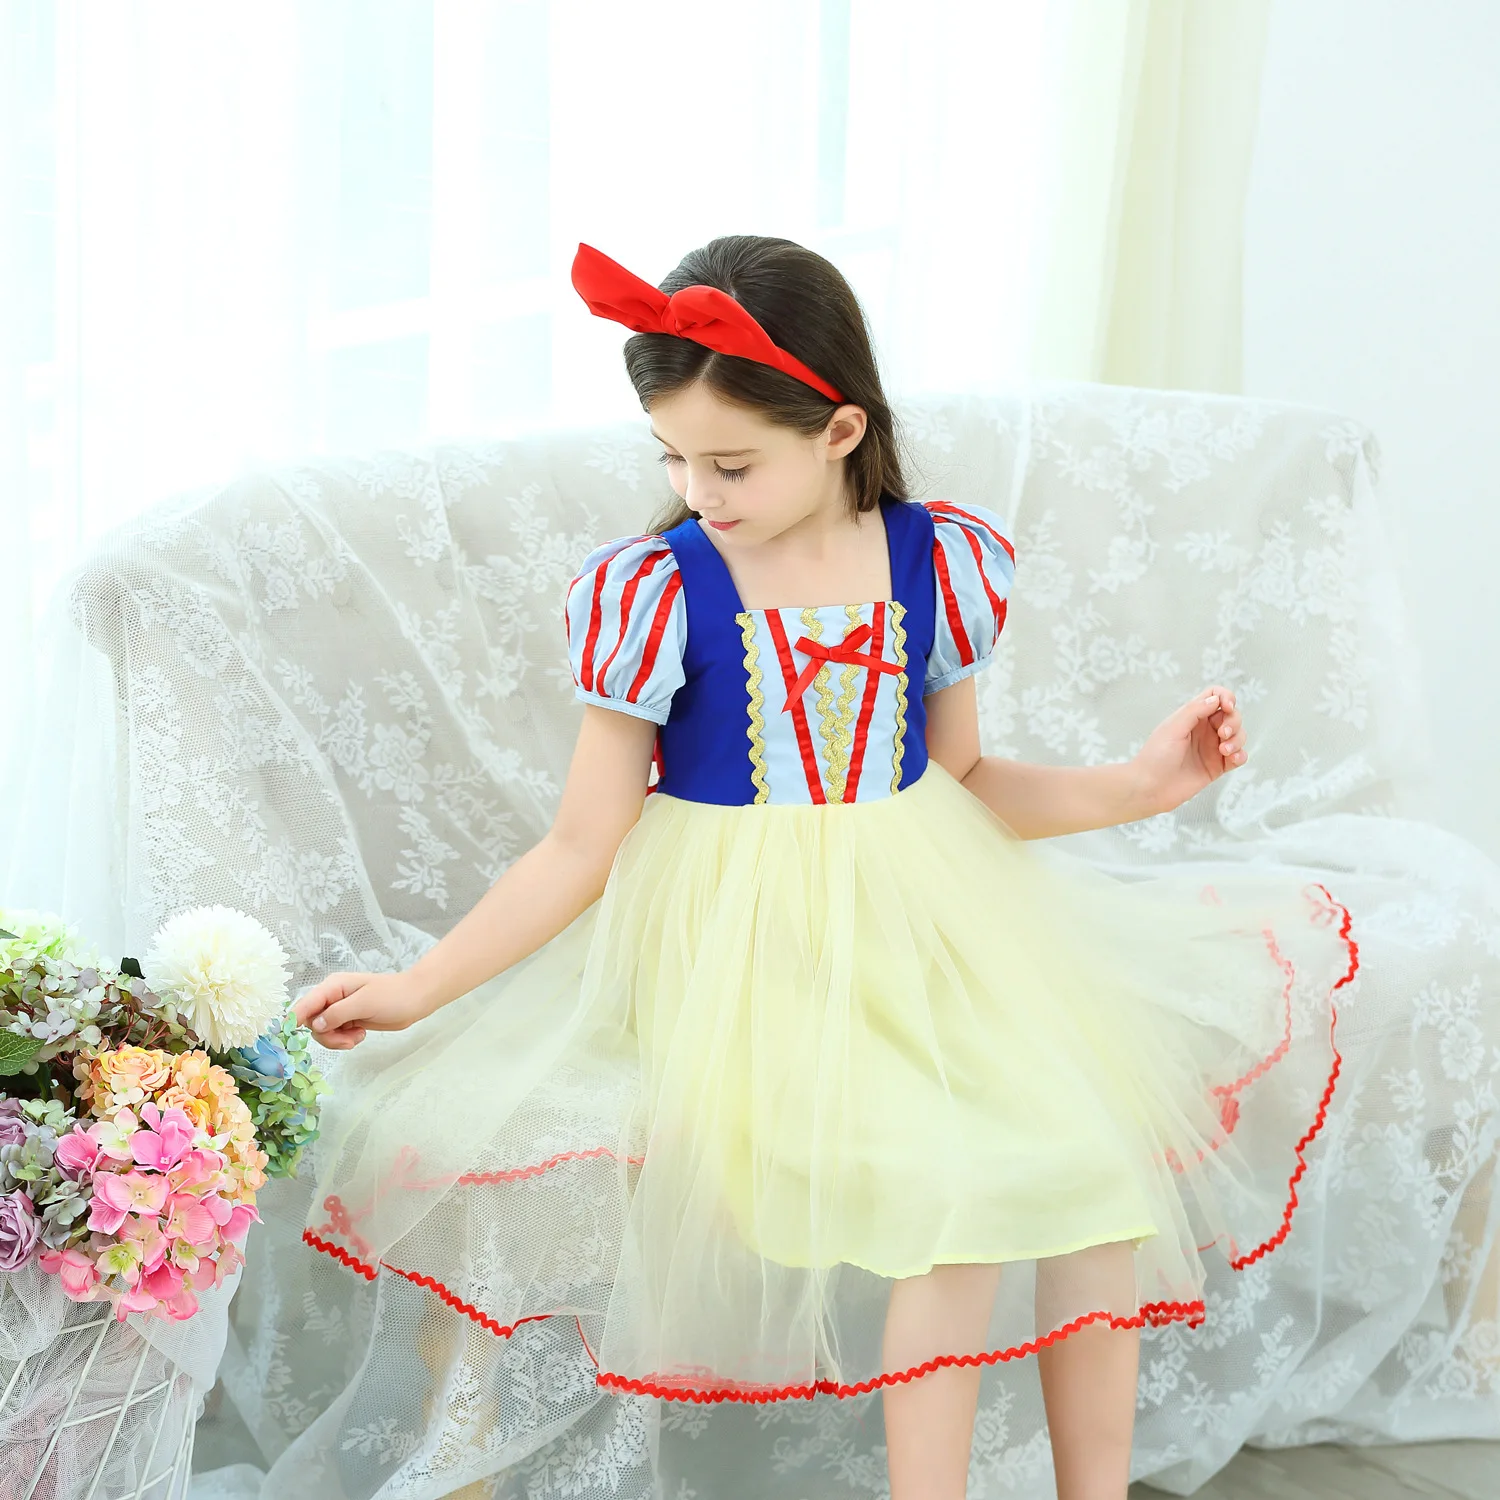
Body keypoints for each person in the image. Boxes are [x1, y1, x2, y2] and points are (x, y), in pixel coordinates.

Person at [293, 236, 1359, 1500]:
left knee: (1095, 1179)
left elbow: (961, 783)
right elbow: (582, 841)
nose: (697, 491)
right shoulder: (660, 587)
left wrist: (1137, 786)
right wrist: (419, 988)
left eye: (730, 463)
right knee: (955, 1211)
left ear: (842, 428)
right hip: (748, 953)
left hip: (924, 931)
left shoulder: (931, 559)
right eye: (673, 458)